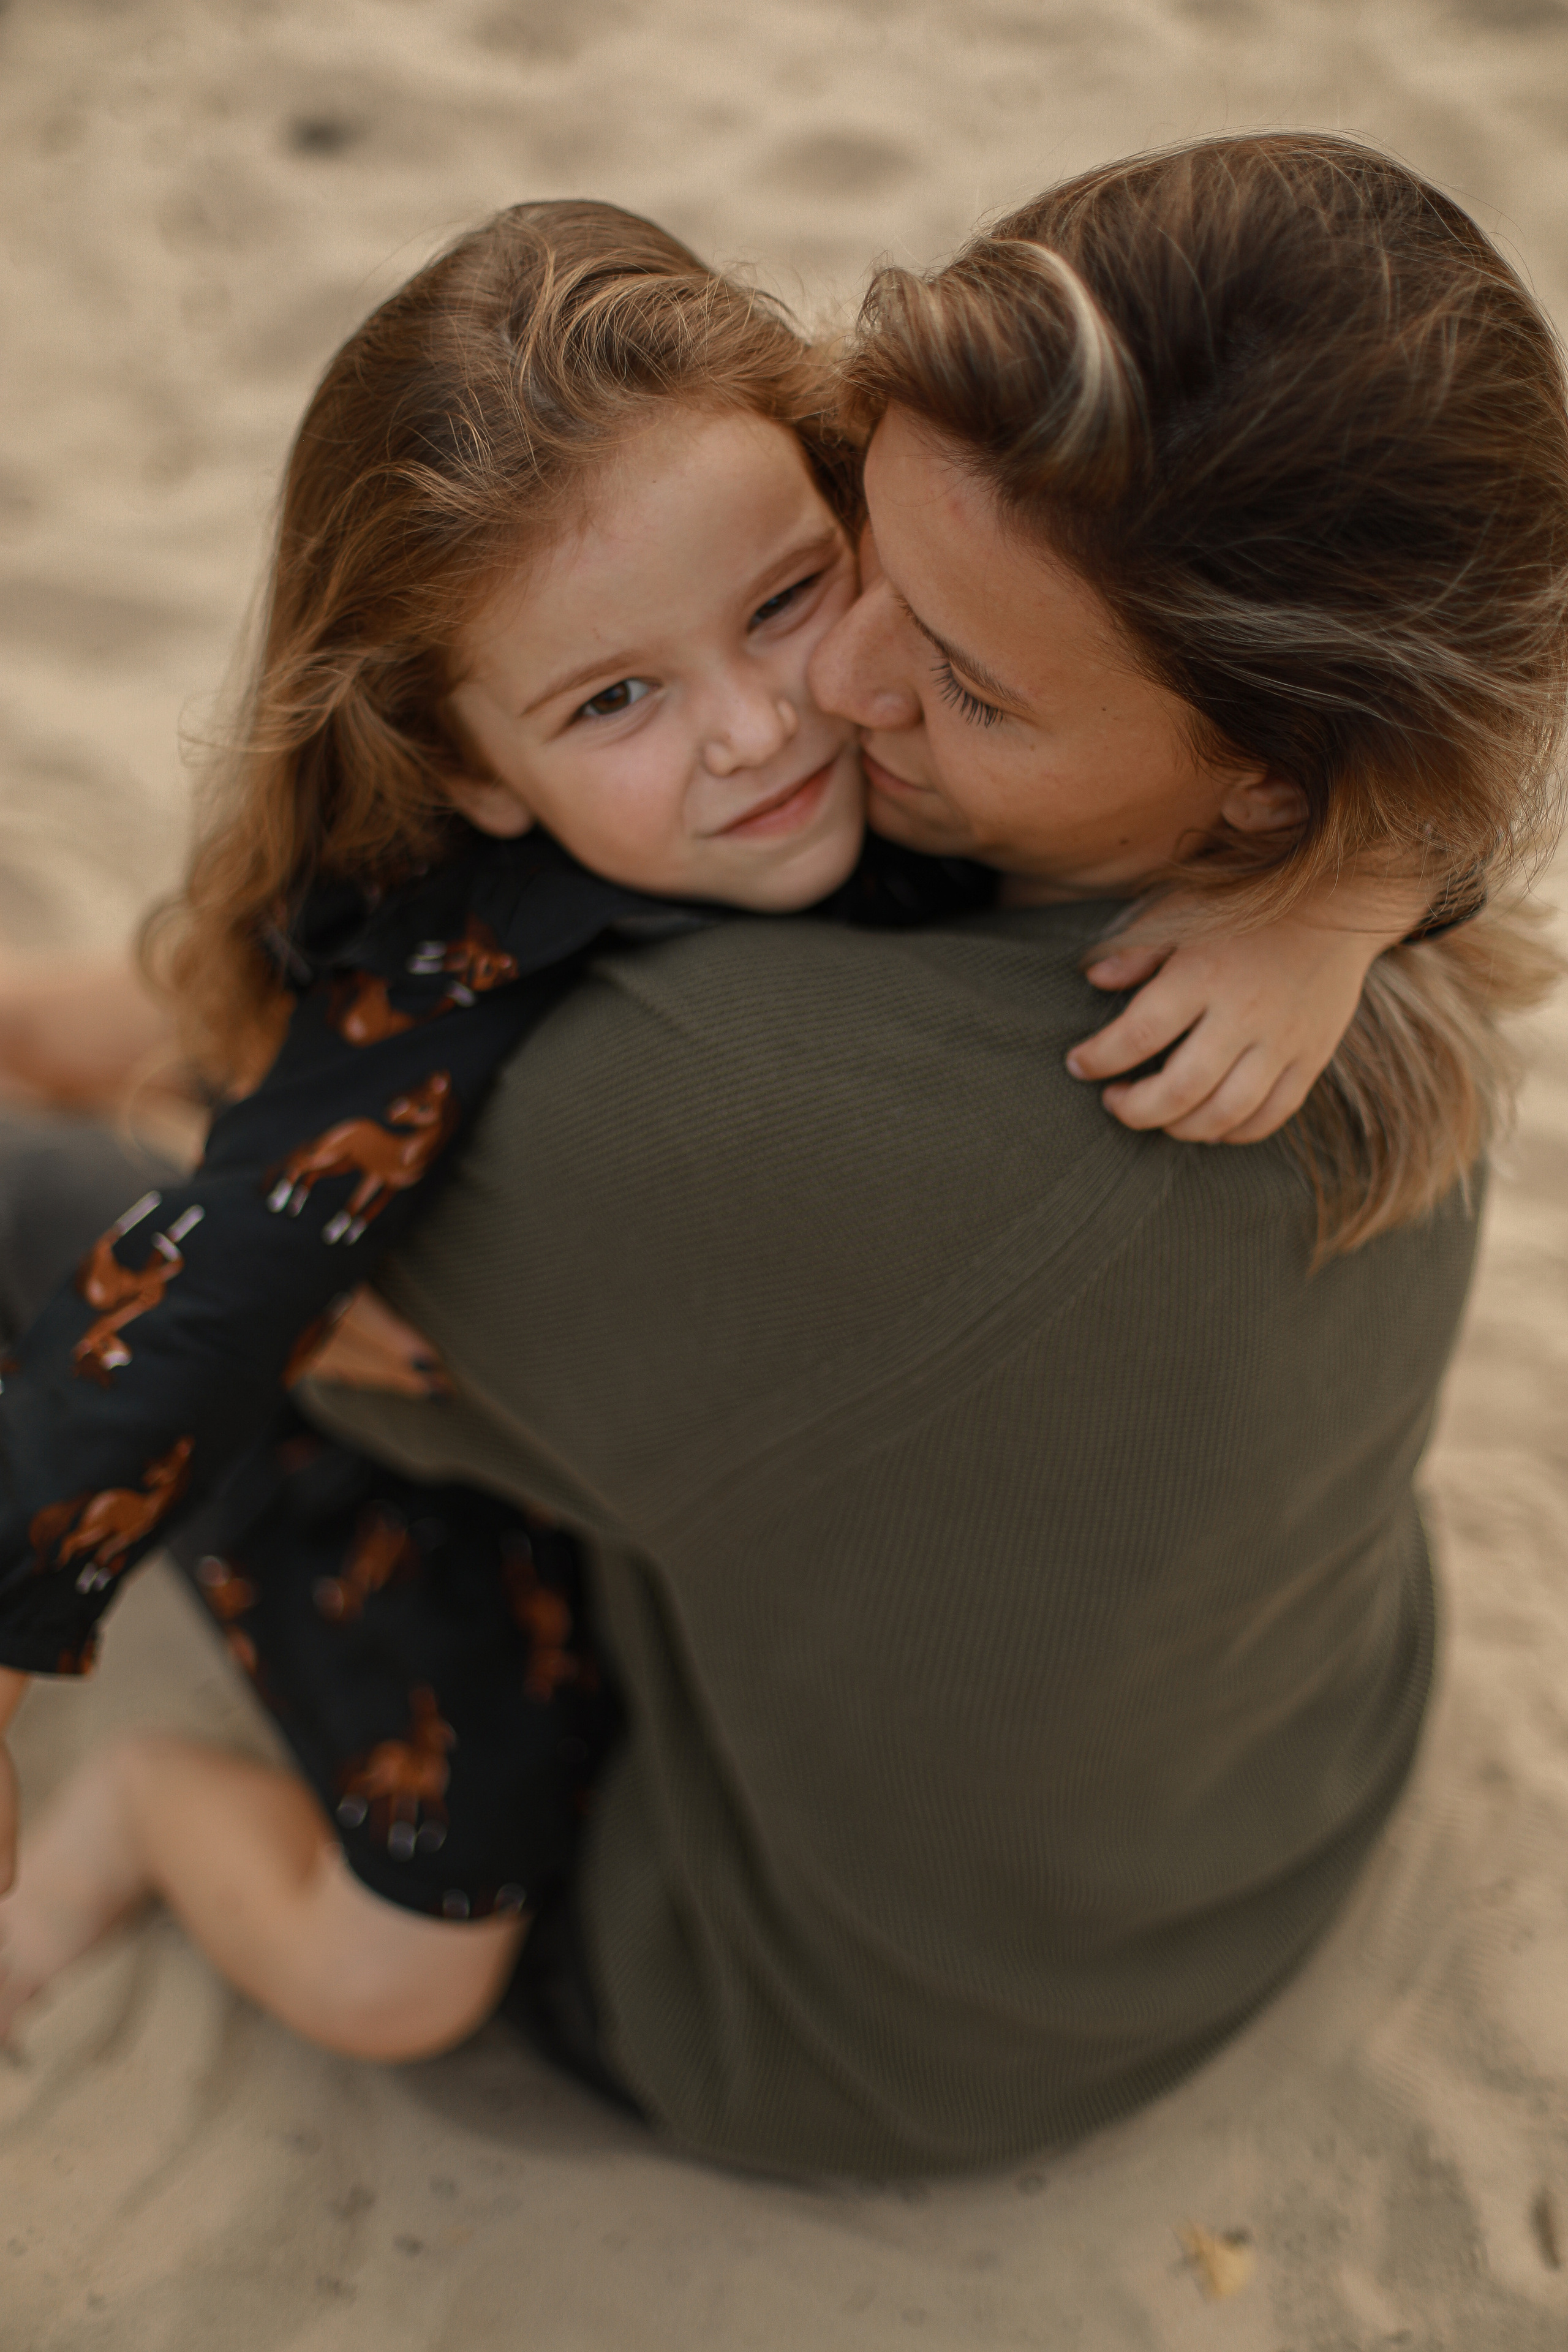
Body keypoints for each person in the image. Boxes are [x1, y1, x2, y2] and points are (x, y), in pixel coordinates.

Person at [2, 133, 1559, 2169]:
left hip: (844, 2030)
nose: (819, 698)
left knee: (80, 1192)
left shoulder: (719, 1124)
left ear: (1275, 789)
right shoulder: (1337, 903)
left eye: (965, 682)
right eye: (874, 547)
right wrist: (1358, 891)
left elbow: (226, 1294)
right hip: (1277, 1785)